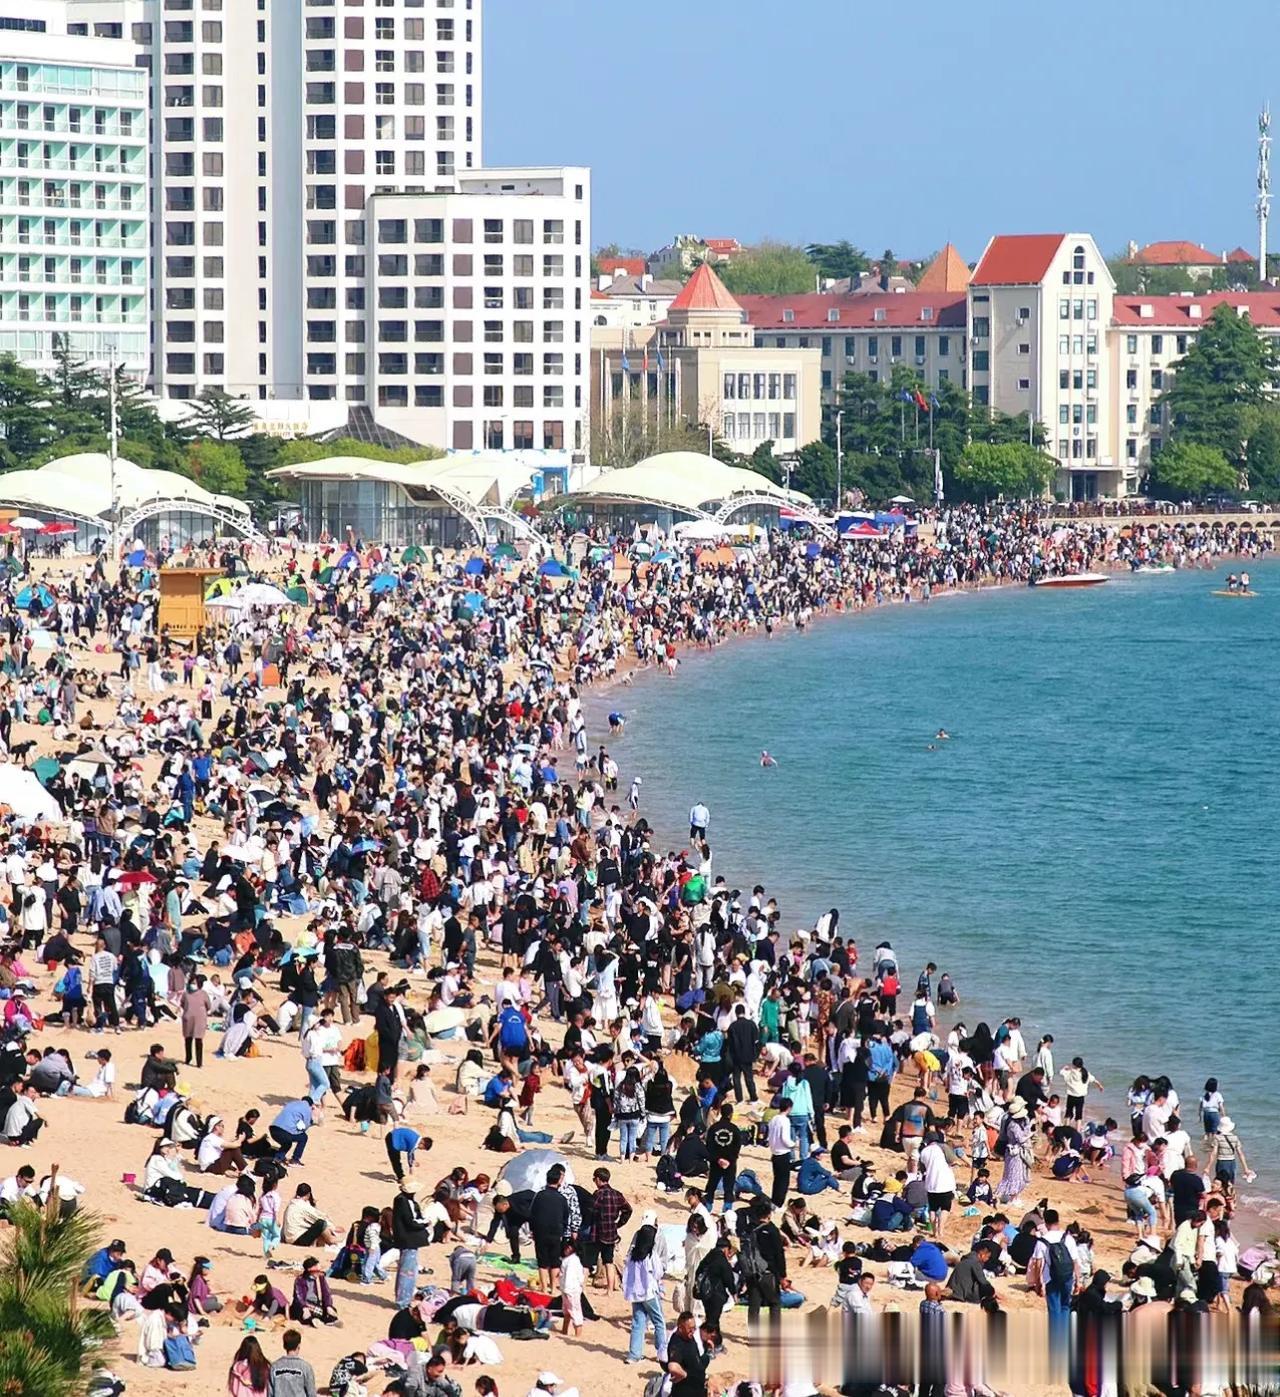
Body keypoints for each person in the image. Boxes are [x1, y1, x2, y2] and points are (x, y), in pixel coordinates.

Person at [622, 1222, 668, 1365]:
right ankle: (662, 1353)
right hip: (649, 1293)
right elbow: (658, 1273)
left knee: (638, 1322)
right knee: (659, 1321)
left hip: (635, 1293)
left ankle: (634, 1355)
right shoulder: (651, 1255)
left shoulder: (632, 1254)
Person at [391, 1177, 433, 1308]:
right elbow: (410, 1222)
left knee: (408, 1270)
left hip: (406, 1240)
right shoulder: (403, 1201)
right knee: (407, 1272)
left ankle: (404, 1298)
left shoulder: (402, 1200)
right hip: (408, 1240)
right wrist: (425, 1223)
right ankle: (403, 1301)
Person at [666, 1309, 710, 1397]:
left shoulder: (688, 1336)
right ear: (680, 1328)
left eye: (694, 1328)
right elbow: (672, 1366)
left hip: (698, 1388)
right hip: (686, 1391)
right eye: (690, 1329)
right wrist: (684, 1374)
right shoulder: (677, 1344)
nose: (693, 1331)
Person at [289, 1256, 339, 1326]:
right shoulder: (300, 1280)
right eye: (316, 1271)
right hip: (304, 1304)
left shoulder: (320, 1278)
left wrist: (328, 1305)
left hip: (316, 1304)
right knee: (302, 1312)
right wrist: (304, 1307)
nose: (318, 1273)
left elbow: (326, 1293)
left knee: (329, 1310)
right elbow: (299, 1297)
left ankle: (329, 1321)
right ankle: (312, 1321)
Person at [267, 1329, 317, 1397]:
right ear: (298, 1346)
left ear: (284, 1346)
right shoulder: (306, 1367)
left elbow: (270, 1393)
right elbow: (311, 1393)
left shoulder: (274, 1367)